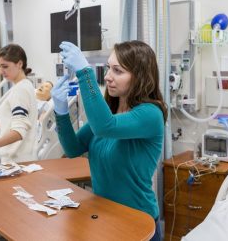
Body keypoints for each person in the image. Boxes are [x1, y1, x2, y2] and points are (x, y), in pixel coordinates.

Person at [52, 40, 167, 241]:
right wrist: (60, 111)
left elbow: (105, 127)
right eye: (108, 69)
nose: (108, 77)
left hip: (138, 221)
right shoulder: (110, 112)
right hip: (105, 216)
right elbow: (72, 148)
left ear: (139, 76)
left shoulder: (151, 114)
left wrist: (85, 73)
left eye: (118, 71)